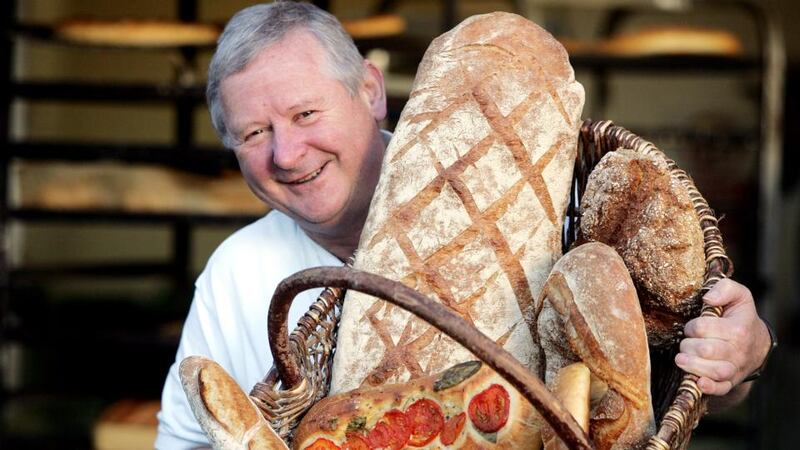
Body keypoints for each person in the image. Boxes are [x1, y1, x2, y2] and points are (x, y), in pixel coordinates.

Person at [155, 2, 773, 448]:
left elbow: (656, 383)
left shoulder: (543, 199)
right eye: (254, 133)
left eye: (305, 113)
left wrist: (740, 359)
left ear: (370, 91)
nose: (287, 154)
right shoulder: (235, 274)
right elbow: (183, 441)